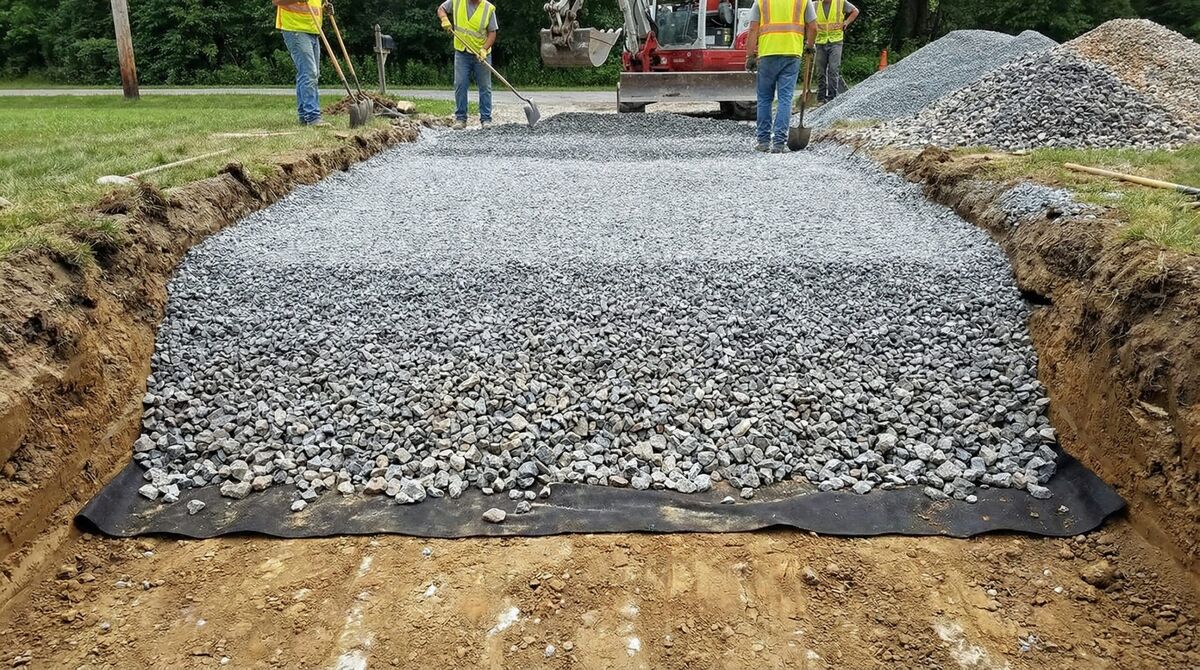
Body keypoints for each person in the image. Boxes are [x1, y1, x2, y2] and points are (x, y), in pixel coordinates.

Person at [745, 0, 817, 153]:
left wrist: (750, 55)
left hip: (767, 54)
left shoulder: (761, 1)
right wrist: (810, 46)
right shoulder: (803, 1)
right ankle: (779, 143)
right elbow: (813, 26)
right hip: (792, 54)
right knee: (785, 98)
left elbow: (752, 29)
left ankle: (763, 142)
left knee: (764, 98)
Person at [437, 0, 499, 130]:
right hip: (462, 52)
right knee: (460, 84)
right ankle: (461, 119)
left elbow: (492, 32)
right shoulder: (457, 1)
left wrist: (484, 49)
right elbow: (441, 8)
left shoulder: (488, 9)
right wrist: (444, 19)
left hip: (481, 54)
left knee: (485, 87)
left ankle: (486, 119)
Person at [274, 0, 330, 127]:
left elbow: (311, 6)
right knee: (309, 73)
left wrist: (323, 8)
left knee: (310, 74)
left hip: (313, 30)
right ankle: (313, 117)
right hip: (295, 28)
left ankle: (304, 116)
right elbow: (276, 1)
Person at [814, 0, 859, 103]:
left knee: (833, 70)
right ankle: (821, 98)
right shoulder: (815, 5)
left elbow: (855, 11)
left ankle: (831, 98)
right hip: (820, 41)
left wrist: (846, 22)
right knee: (820, 71)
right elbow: (808, 20)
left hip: (835, 41)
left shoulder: (840, 2)